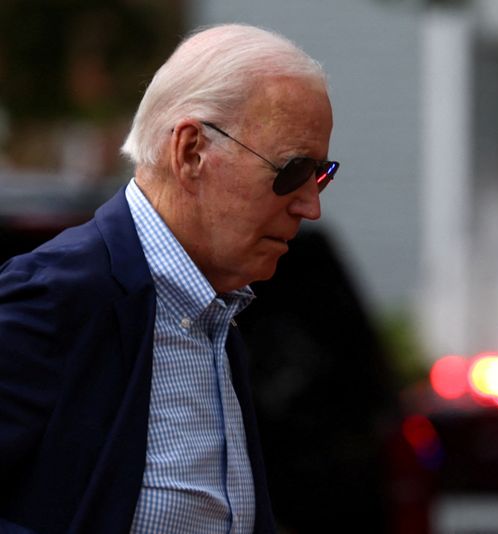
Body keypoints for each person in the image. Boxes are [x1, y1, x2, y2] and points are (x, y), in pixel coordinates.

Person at [0, 23, 338, 534]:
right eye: (292, 171)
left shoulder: (214, 312)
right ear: (190, 152)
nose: (310, 205)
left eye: (321, 175)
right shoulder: (54, 297)